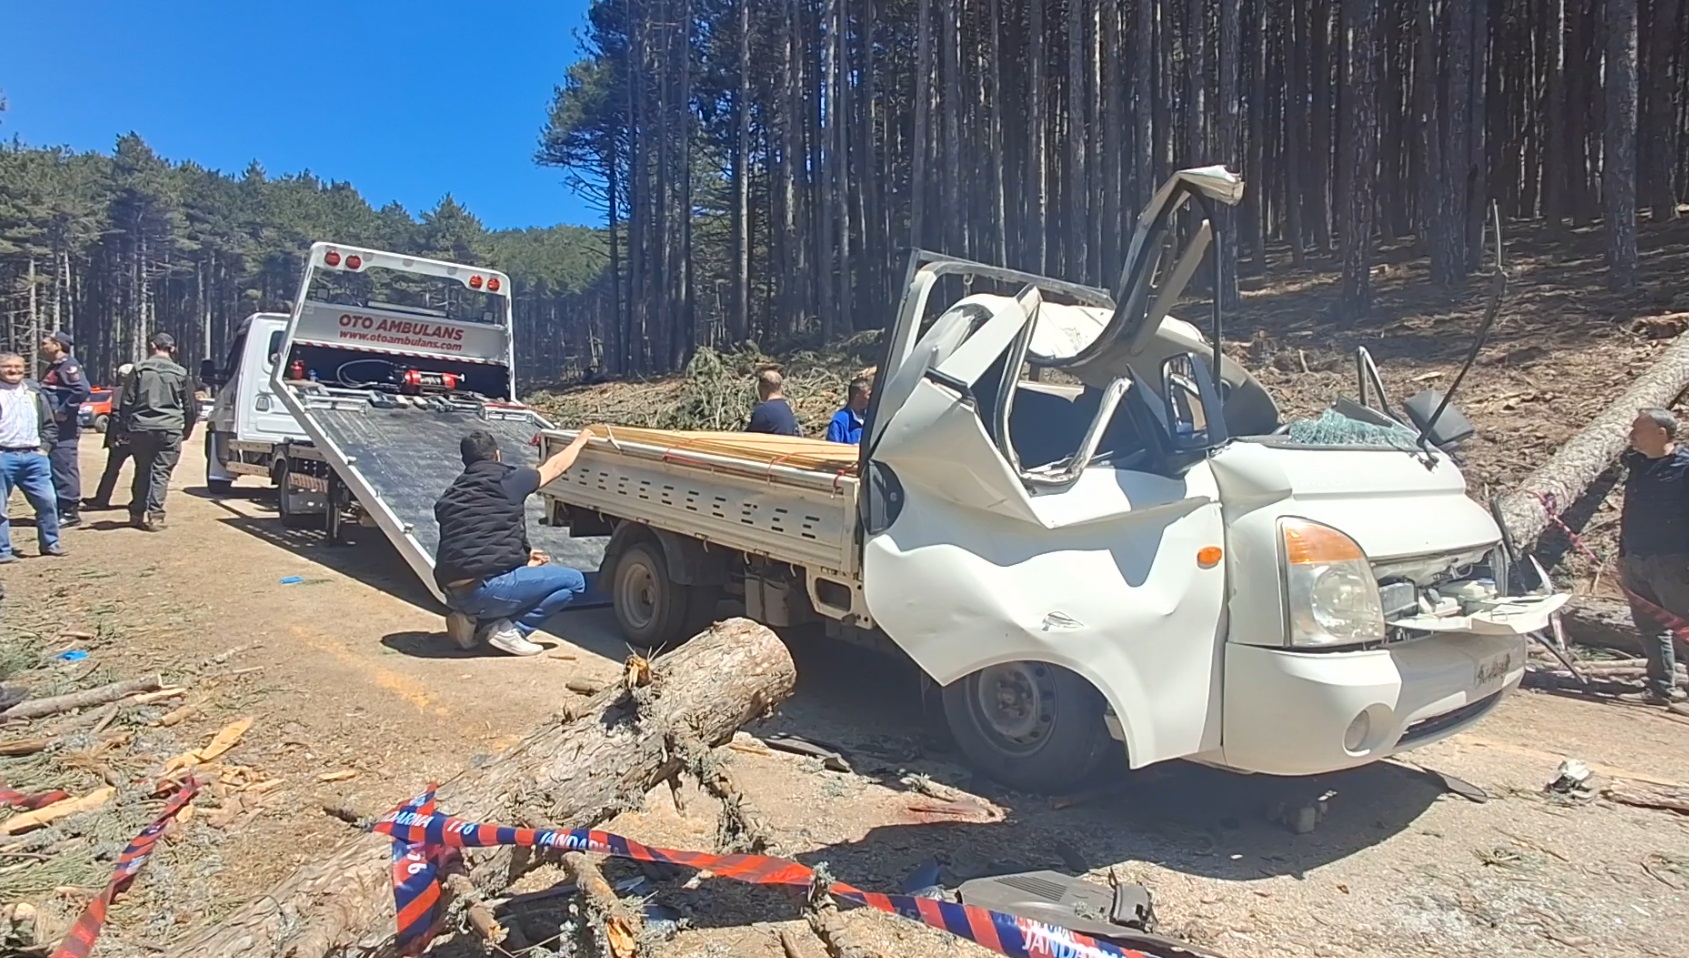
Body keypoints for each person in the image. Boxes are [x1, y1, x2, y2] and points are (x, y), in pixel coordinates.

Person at [435, 428, 596, 656]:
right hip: (485, 591)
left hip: (452, 591)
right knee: (574, 582)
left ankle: (471, 621)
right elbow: (555, 467)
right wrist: (580, 441)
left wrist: (523, 558)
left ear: (466, 461)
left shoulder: (451, 495)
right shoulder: (509, 480)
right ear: (497, 455)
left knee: (510, 579)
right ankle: (511, 631)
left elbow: (475, 541)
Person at [1617, 407, 1689, 708]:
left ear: (1661, 433)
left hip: (1673, 561)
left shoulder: (1685, 468)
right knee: (1649, 629)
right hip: (1635, 559)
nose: (1632, 435)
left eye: (1639, 429)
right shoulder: (1637, 464)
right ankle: (1661, 689)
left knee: (1686, 629)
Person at [118, 333, 198, 531]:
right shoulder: (180, 373)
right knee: (161, 472)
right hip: (170, 428)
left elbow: (126, 402)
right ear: (173, 348)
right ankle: (155, 516)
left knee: (142, 469)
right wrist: (186, 430)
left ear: (153, 346)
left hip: (141, 428)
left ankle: (136, 513)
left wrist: (124, 428)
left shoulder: (139, 369)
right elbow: (191, 407)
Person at [0, 351, 66, 561]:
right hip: (3, 456)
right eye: (7, 366)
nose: (13, 370)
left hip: (34, 457)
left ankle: (51, 544)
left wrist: (44, 448)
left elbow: (49, 424)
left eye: (18, 366)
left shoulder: (34, 392)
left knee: (48, 502)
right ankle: (3, 551)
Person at [38, 331, 91, 528]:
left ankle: (70, 511)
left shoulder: (68, 366)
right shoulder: (55, 367)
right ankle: (59, 507)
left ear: (57, 346)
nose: (42, 347)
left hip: (64, 427)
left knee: (64, 465)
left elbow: (82, 389)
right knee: (55, 465)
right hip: (54, 425)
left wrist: (63, 411)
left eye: (45, 343)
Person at [83, 363, 136, 511]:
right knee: (142, 471)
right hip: (140, 435)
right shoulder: (145, 390)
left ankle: (101, 499)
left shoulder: (120, 391)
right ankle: (139, 501)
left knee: (111, 470)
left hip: (122, 438)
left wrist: (113, 437)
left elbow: (116, 415)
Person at [745, 369, 801, 436]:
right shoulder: (786, 409)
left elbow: (751, 437)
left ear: (761, 388)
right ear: (780, 388)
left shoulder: (763, 411)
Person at [825, 377, 872, 444]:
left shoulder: (871, 418)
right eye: (869, 395)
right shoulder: (839, 421)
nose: (872, 398)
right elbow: (833, 451)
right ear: (857, 396)